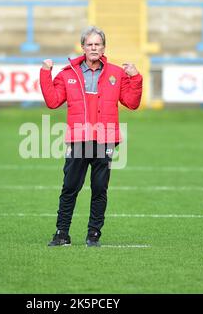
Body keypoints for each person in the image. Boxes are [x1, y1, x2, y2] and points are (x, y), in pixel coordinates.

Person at [39, 26, 143, 247]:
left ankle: (93, 235)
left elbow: (132, 103)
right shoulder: (68, 74)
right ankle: (61, 234)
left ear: (104, 47)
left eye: (98, 44)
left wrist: (135, 78)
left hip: (105, 139)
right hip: (78, 139)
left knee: (99, 188)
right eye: (90, 44)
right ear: (83, 47)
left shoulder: (117, 73)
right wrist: (45, 73)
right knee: (70, 187)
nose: (94, 48)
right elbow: (53, 101)